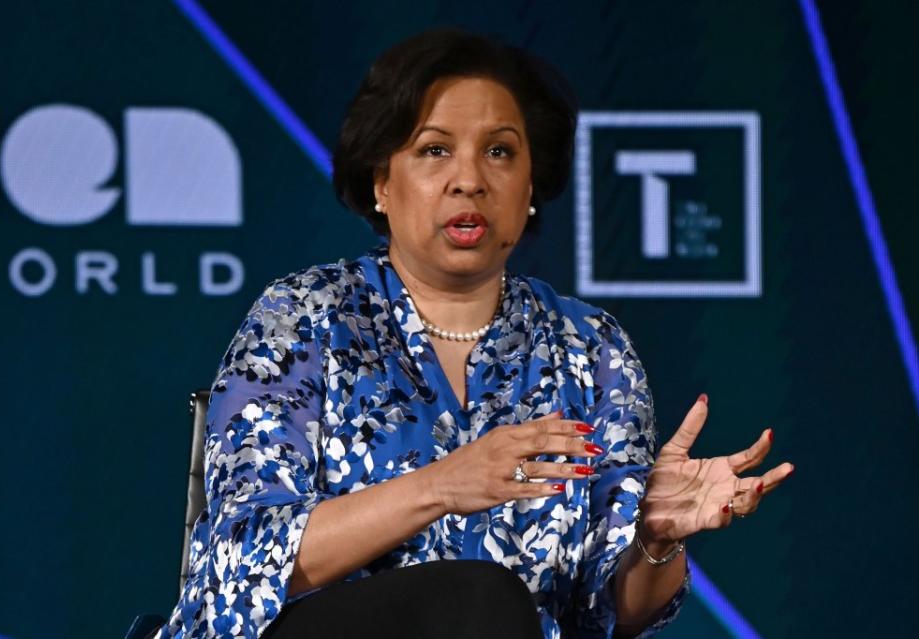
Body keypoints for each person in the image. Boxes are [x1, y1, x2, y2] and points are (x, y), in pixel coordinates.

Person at [156, 28, 793, 639]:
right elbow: (243, 560)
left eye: (499, 151)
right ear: (382, 181)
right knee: (478, 597)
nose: (470, 179)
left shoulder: (589, 348)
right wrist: (442, 485)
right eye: (435, 150)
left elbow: (611, 613)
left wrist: (656, 541)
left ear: (531, 185)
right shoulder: (304, 317)